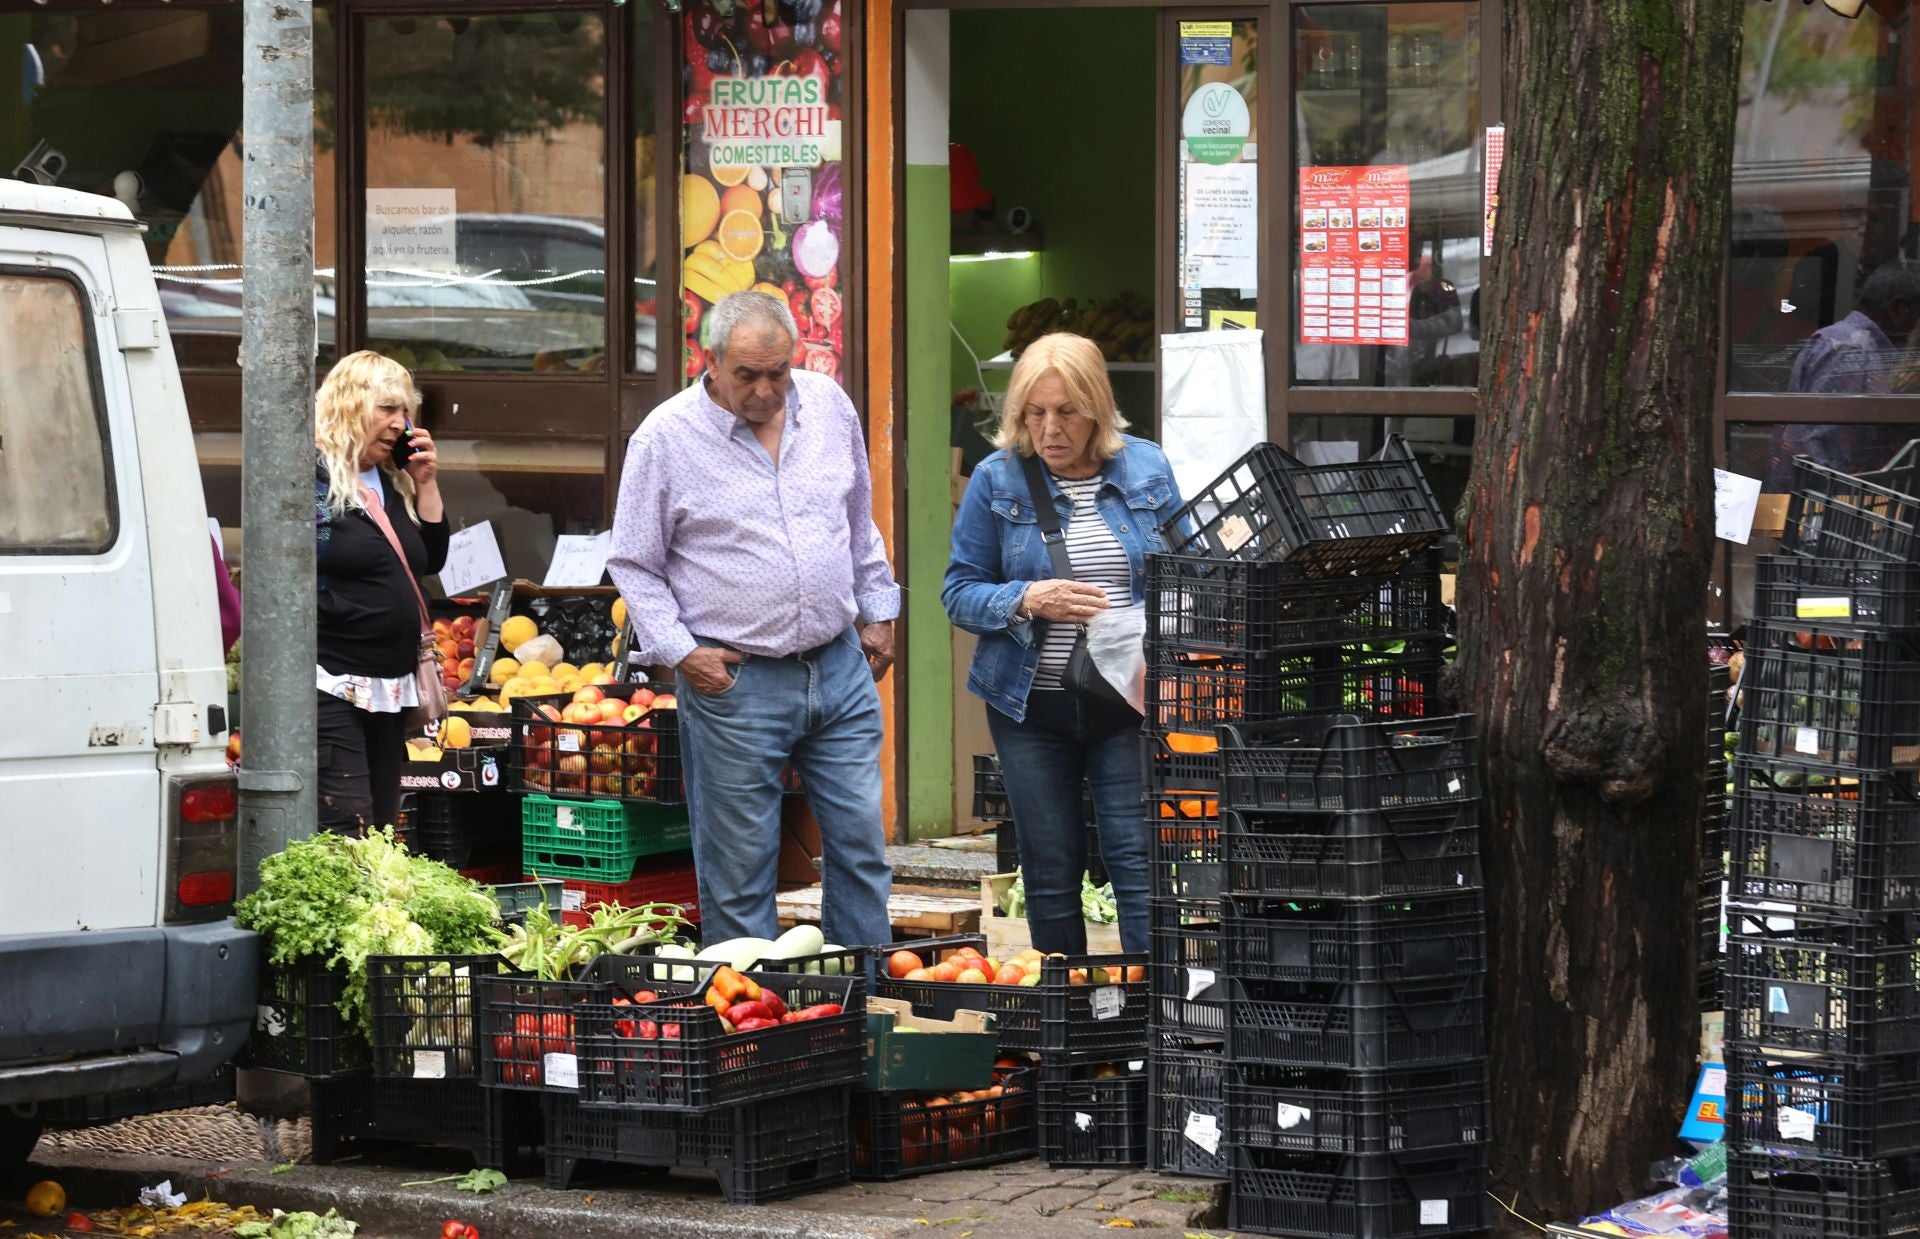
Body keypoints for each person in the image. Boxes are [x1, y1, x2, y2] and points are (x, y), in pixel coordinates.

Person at [608, 290, 898, 948]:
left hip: (837, 666)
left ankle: (870, 1005)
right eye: (748, 375)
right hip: (735, 681)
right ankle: (754, 1033)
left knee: (861, 849)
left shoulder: (827, 406)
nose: (767, 389)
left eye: (778, 371)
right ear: (709, 361)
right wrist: (683, 652)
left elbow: (857, 521)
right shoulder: (666, 438)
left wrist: (878, 609)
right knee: (741, 870)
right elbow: (633, 560)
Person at [942, 332, 1182, 955]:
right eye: (1035, 411)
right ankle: (1070, 1025)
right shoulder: (998, 481)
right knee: (1049, 870)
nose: (1050, 428)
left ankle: (1147, 1025)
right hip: (1030, 708)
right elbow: (959, 592)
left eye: (1067, 411)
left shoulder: (1147, 467)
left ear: (1097, 408)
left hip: (1127, 704)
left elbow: (1188, 576)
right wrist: (1026, 598)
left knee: (1137, 862)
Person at [313, 350, 446, 832]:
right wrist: (342, 612)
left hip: (391, 687)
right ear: (349, 406)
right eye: (386, 409)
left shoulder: (391, 480)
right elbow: (295, 568)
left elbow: (430, 560)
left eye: (404, 411)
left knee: (383, 825)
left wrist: (425, 484)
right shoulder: (314, 480)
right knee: (350, 823)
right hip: (332, 681)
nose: (399, 423)